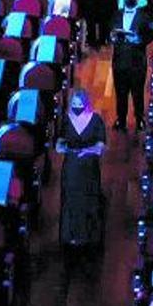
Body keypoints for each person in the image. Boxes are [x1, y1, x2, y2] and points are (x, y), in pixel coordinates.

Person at [57, 89, 106, 252]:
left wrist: (88, 151)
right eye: (74, 105)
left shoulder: (96, 120)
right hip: (71, 166)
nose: (76, 108)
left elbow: (100, 147)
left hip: (89, 167)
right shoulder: (65, 120)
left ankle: (89, 237)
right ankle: (69, 235)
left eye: (79, 105)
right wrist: (65, 149)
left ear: (86, 105)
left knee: (89, 200)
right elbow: (59, 143)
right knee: (71, 200)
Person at [111, 0, 153, 131]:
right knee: (121, 93)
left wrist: (139, 40)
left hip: (137, 61)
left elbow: (151, 35)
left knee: (138, 93)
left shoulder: (145, 16)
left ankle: (139, 119)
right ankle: (121, 119)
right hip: (119, 61)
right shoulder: (116, 15)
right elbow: (110, 32)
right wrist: (112, 37)